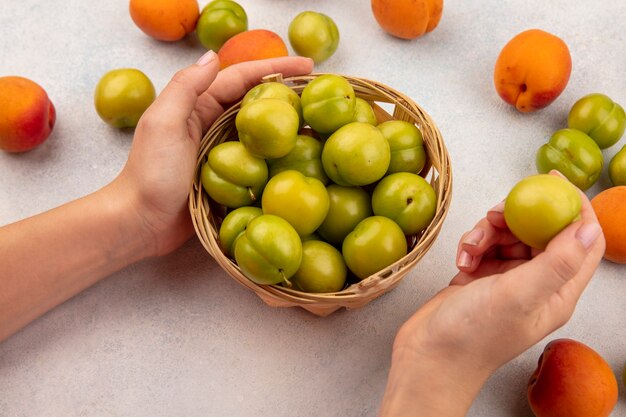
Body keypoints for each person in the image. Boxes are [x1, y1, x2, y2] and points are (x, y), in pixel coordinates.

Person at [0, 51, 605, 416]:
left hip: (308, 212)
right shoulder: (281, 174)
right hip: (296, 215)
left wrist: (136, 215)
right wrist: (439, 369)